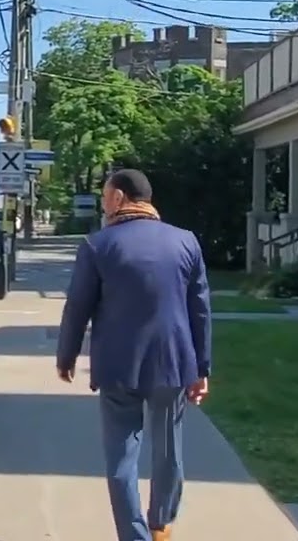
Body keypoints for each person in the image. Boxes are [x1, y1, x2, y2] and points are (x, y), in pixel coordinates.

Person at [55, 169, 211, 541]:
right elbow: (200, 309)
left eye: (106, 195)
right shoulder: (186, 242)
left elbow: (78, 306)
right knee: (169, 450)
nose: (103, 203)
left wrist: (67, 355)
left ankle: (133, 535)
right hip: (173, 363)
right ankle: (161, 524)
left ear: (120, 198)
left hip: (116, 366)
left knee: (120, 459)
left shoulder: (98, 245)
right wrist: (202, 367)